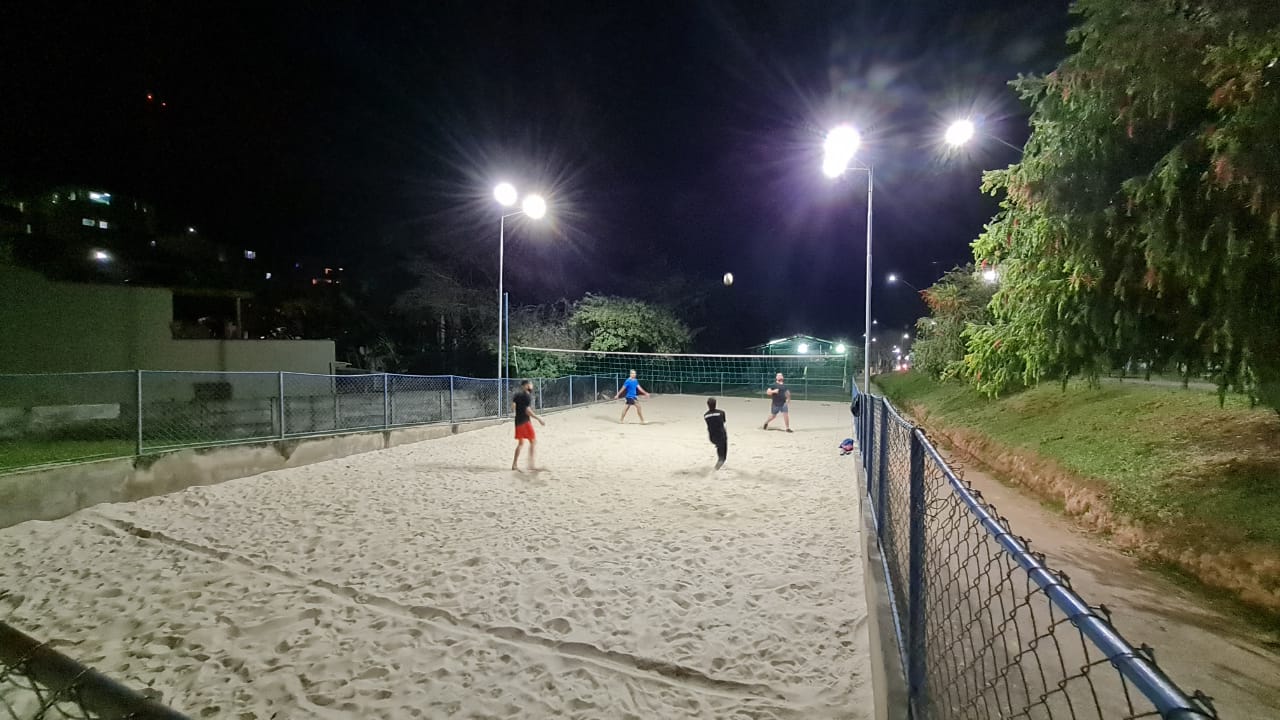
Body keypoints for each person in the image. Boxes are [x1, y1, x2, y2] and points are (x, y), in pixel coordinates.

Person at [511, 379, 545, 471]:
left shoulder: (517, 395)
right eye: (530, 384)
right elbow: (528, 411)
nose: (532, 386)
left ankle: (514, 464)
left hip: (518, 421)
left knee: (521, 443)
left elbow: (513, 406)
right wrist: (538, 419)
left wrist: (516, 411)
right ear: (526, 385)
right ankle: (531, 465)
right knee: (533, 441)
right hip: (525, 422)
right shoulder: (527, 396)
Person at [704, 397, 728, 469]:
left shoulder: (705, 415)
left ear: (707, 405)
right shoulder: (721, 412)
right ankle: (715, 470)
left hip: (712, 437)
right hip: (721, 436)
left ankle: (718, 464)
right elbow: (723, 421)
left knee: (719, 446)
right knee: (722, 458)